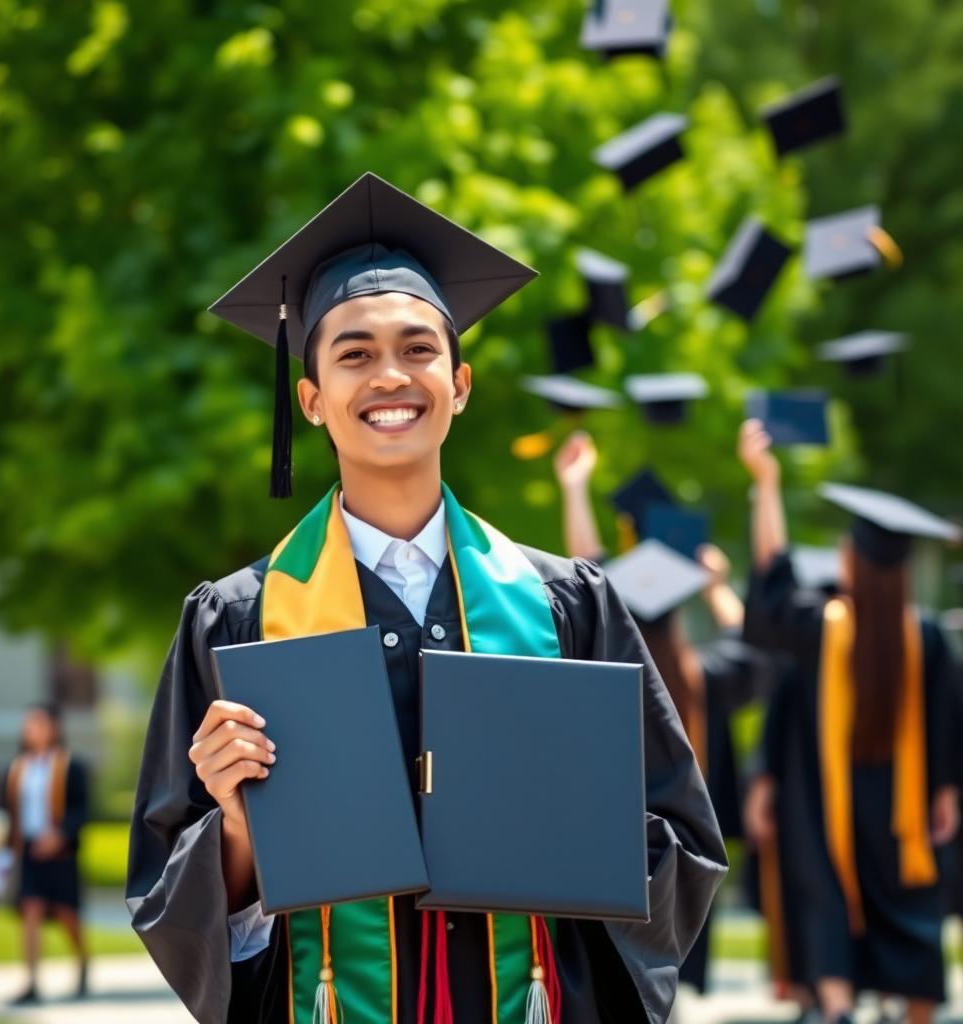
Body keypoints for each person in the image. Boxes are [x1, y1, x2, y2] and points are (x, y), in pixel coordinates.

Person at [125, 174, 727, 1024]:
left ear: (461, 383)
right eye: (354, 354)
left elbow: (682, 845)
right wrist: (238, 828)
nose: (390, 377)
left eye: (418, 349)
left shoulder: (564, 606)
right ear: (311, 400)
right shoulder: (238, 622)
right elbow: (170, 897)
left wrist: (580, 825)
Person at [738, 417, 961, 1024]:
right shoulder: (926, 638)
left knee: (829, 899)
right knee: (909, 906)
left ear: (858, 564)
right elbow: (948, 724)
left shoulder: (823, 629)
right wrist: (945, 792)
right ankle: (917, 1011)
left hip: (825, 808)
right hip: (900, 815)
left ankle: (835, 1011)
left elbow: (771, 581)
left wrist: (767, 484)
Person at [552, 429, 766, 995]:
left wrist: (574, 489)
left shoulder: (607, 676)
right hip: (676, 855)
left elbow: (585, 576)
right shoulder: (701, 681)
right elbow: (751, 647)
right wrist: (717, 587)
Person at [4, 701, 89, 1004]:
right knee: (31, 909)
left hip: (60, 852)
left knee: (67, 915)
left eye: (39, 723)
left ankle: (82, 962)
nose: (33, 730)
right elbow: (11, 813)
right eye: (29, 724)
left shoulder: (69, 766)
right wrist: (5, 853)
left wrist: (60, 835)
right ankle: (31, 981)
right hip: (28, 850)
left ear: (54, 727)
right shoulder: (18, 768)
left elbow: (81, 810)